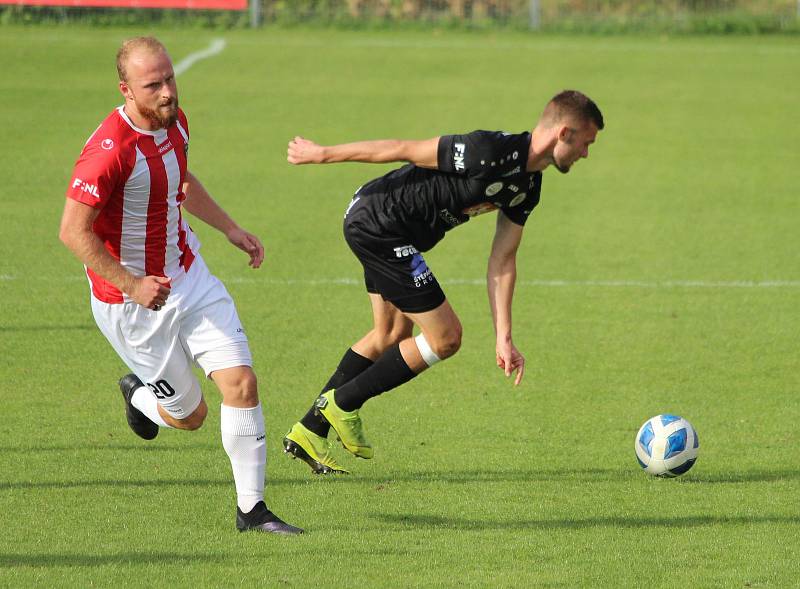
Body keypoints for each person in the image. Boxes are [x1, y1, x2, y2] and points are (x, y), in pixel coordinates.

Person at [282, 90, 604, 475]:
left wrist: (504, 334)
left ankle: (309, 429)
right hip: (380, 221)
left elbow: (503, 259)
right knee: (446, 337)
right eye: (586, 143)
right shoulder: (488, 150)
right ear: (564, 132)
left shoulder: (528, 186)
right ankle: (341, 405)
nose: (586, 154)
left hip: (386, 228)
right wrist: (323, 153)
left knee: (389, 332)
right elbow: (404, 148)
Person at [59, 36, 302, 534]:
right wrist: (131, 284)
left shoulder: (175, 122)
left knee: (242, 382)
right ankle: (139, 397)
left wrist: (230, 228)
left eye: (170, 78)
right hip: (131, 306)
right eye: (154, 85)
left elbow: (180, 181)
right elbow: (72, 231)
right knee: (190, 417)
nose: (168, 91)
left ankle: (252, 512)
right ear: (126, 90)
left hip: (189, 277)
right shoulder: (108, 153)